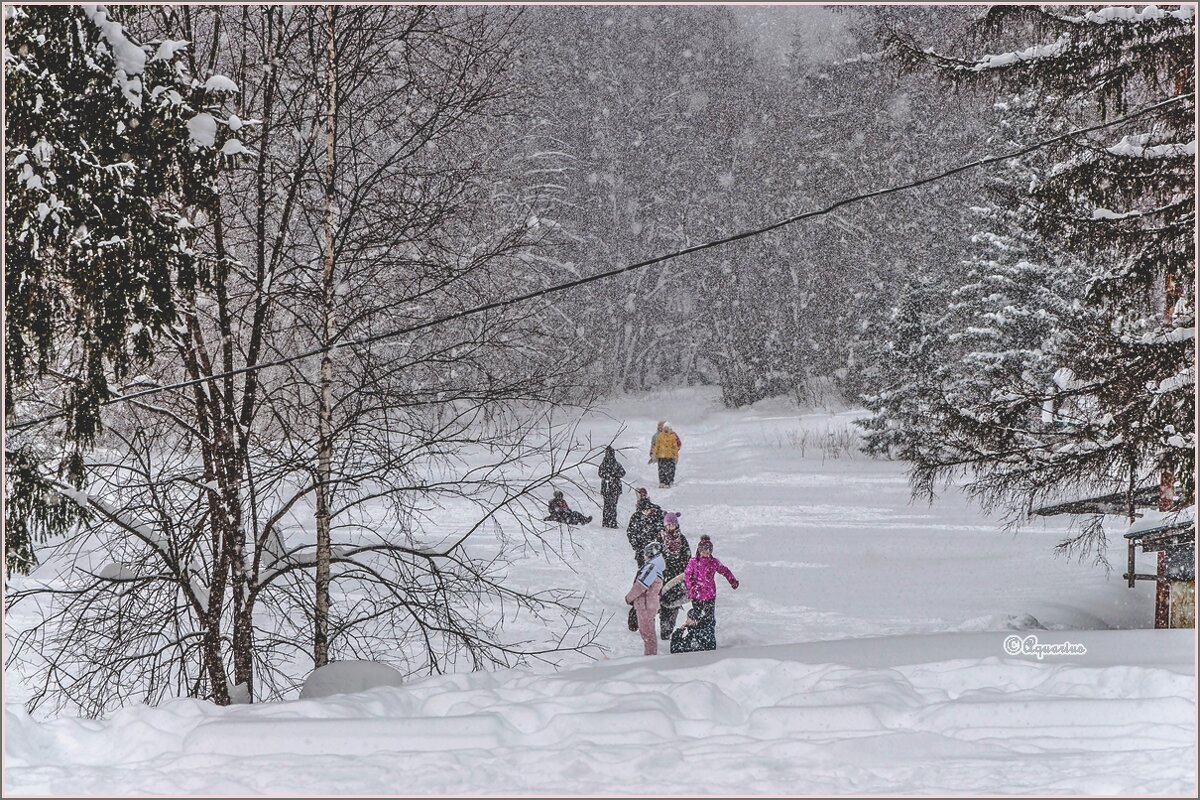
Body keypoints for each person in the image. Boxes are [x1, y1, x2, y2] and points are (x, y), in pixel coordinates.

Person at [678, 534, 738, 649]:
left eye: (709, 550)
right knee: (698, 617)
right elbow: (687, 576)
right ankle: (698, 639)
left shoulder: (714, 562)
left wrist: (732, 580)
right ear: (699, 550)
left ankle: (710, 641)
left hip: (710, 596)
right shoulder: (693, 562)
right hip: (697, 596)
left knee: (709, 619)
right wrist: (692, 587)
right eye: (704, 550)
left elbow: (724, 570)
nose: (706, 552)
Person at [625, 488, 664, 631]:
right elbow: (631, 533)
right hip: (642, 554)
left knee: (656, 579)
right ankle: (640, 598)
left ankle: (654, 600)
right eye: (643, 511)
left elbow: (661, 531)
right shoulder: (636, 518)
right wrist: (638, 546)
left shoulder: (657, 516)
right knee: (642, 576)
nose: (645, 513)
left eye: (647, 510)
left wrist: (656, 544)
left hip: (656, 554)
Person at [625, 541, 666, 656]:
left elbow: (641, 586)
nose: (644, 555)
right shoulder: (656, 566)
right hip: (649, 604)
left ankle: (650, 657)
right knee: (648, 632)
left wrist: (629, 598)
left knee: (647, 633)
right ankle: (650, 655)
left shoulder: (651, 567)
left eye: (646, 553)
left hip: (645, 604)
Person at [657, 512, 691, 640]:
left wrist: (683, 572)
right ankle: (664, 631)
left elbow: (687, 558)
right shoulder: (660, 538)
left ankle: (668, 631)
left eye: (673, 524)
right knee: (662, 604)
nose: (670, 527)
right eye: (668, 524)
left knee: (672, 605)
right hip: (663, 577)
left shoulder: (682, 540)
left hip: (677, 578)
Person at [598, 446, 626, 529]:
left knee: (612, 505)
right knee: (608, 505)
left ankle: (611, 521)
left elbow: (622, 473)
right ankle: (607, 521)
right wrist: (607, 476)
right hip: (608, 488)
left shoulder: (616, 464)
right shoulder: (604, 464)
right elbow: (600, 473)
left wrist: (613, 476)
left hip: (614, 488)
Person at [651, 422, 682, 488]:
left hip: (670, 457)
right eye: (664, 428)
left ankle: (669, 481)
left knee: (670, 470)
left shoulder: (673, 436)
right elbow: (657, 446)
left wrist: (676, 456)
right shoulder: (660, 436)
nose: (665, 430)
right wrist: (654, 454)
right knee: (661, 470)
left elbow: (675, 447)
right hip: (661, 456)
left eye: (667, 428)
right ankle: (662, 482)